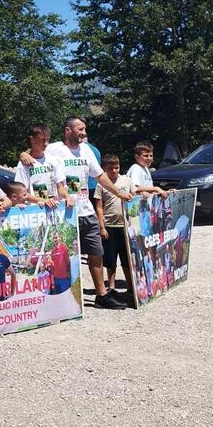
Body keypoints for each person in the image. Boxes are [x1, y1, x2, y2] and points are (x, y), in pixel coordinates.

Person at [46, 117, 133, 310]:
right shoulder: (53, 149)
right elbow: (34, 156)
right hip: (64, 213)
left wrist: (118, 192)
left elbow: (99, 175)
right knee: (66, 256)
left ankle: (101, 295)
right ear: (68, 130)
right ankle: (63, 298)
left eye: (84, 129)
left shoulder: (86, 150)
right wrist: (23, 154)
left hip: (86, 209)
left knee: (96, 252)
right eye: (80, 129)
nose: (84, 132)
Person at [94, 153, 136, 298]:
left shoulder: (126, 180)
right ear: (104, 169)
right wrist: (102, 227)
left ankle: (130, 286)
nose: (114, 171)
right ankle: (111, 287)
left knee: (126, 258)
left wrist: (152, 192)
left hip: (125, 226)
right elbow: (99, 207)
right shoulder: (101, 185)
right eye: (110, 168)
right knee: (110, 259)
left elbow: (136, 196)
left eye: (116, 168)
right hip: (110, 226)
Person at [15, 124, 71, 208]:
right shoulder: (24, 165)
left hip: (55, 209)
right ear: (32, 139)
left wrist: (67, 196)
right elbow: (22, 193)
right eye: (42, 140)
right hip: (35, 210)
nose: (46, 143)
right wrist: (43, 201)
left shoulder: (53, 160)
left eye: (48, 140)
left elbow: (60, 186)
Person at [48, 229, 72, 294]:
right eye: (53, 238)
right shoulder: (52, 251)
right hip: (55, 279)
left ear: (59, 238)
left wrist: (68, 274)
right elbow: (52, 266)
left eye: (56, 237)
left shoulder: (64, 248)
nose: (55, 239)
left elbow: (68, 262)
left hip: (64, 278)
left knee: (65, 296)